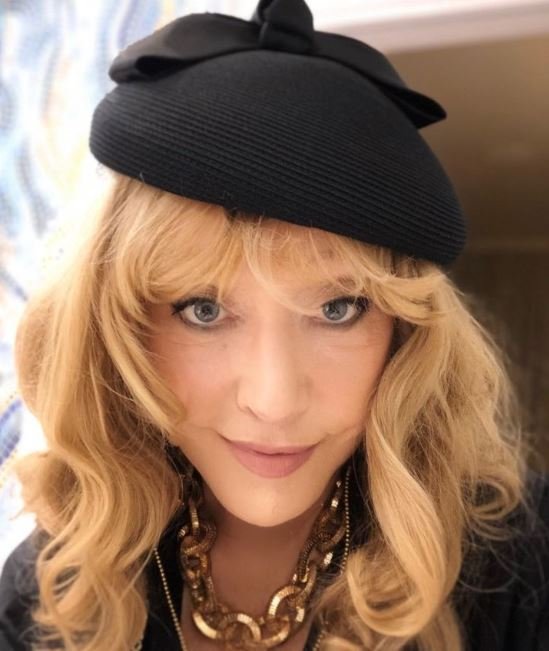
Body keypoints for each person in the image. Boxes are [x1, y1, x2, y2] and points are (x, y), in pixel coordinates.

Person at [1, 0, 548, 650]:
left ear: (404, 332)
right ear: (118, 329)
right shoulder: (51, 588)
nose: (274, 400)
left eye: (337, 309)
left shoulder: (521, 565)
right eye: (202, 310)